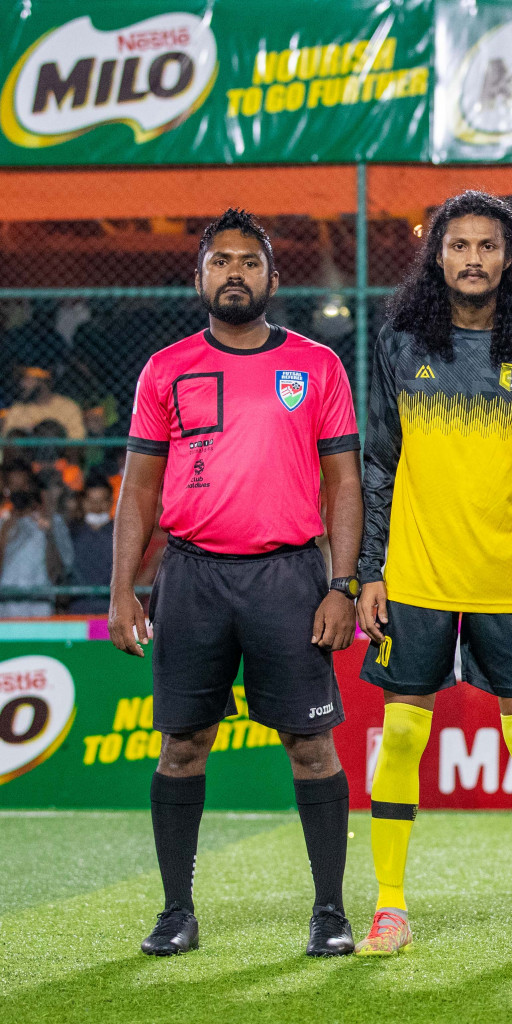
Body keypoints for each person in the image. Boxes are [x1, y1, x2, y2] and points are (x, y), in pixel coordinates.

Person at [110, 208, 363, 958]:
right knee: (183, 745)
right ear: (199, 277)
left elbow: (345, 484)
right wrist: (124, 588)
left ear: (272, 278)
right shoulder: (165, 368)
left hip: (289, 576)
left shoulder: (318, 366)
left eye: (249, 262)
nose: (234, 273)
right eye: (220, 261)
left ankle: (329, 912)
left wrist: (341, 584)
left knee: (311, 745)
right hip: (190, 577)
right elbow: (140, 488)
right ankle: (176, 911)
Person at [355, 191, 512, 959]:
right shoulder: (399, 341)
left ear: (509, 258)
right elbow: (378, 462)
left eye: (488, 246)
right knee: (402, 736)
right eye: (459, 246)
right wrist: (369, 571)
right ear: (437, 255)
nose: (473, 258)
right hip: (415, 571)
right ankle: (388, 908)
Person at [0, 465, 72, 618]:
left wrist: (49, 532)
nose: (19, 490)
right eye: (14, 486)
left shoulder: (53, 522)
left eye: (24, 485)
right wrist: (4, 534)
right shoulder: (2, 523)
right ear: (6, 488)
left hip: (41, 604)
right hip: (7, 604)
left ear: (32, 487)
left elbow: (66, 563)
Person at [69, 472, 115, 614]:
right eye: (92, 501)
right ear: (83, 502)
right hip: (77, 610)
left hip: (111, 611)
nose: (97, 507)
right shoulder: (71, 533)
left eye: (102, 501)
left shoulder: (121, 534)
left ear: (111, 502)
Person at [5, 367, 85, 438]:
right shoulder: (18, 408)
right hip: (26, 454)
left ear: (42, 382)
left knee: (49, 429)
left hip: (58, 454)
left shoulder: (67, 407)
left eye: (27, 379)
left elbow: (77, 439)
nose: (22, 384)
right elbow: (7, 440)